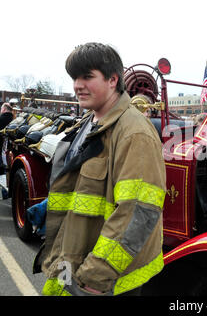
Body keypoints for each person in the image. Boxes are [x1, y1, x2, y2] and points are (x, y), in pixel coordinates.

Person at [34, 42, 166, 296]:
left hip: (103, 280)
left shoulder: (134, 132)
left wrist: (96, 276)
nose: (77, 85)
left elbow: (138, 212)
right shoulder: (88, 123)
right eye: (74, 78)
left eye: (87, 76)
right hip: (73, 260)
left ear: (113, 80)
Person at [0, 102, 13, 198]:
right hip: (10, 152)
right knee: (4, 173)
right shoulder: (15, 121)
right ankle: (6, 194)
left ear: (4, 109)